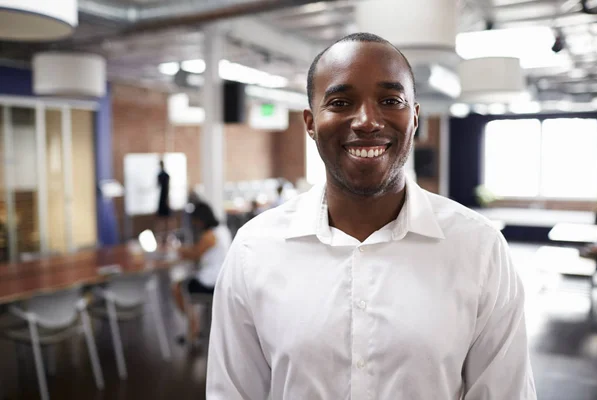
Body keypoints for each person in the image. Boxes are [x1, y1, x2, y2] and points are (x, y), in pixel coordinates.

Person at [206, 32, 537, 399]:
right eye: (341, 101)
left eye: (390, 100)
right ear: (310, 123)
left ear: (414, 118)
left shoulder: (479, 248)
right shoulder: (255, 250)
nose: (366, 121)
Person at [172, 200, 232, 345]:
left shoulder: (209, 235)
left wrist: (178, 249)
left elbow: (195, 254)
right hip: (223, 279)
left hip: (211, 282)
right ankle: (194, 327)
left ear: (200, 219)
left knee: (177, 288)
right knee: (184, 283)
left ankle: (193, 327)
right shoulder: (223, 230)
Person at [156, 160, 171, 239]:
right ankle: (163, 235)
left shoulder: (162, 175)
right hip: (164, 197)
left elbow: (158, 185)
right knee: (163, 218)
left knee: (165, 219)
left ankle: (165, 235)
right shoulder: (164, 175)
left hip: (163, 197)